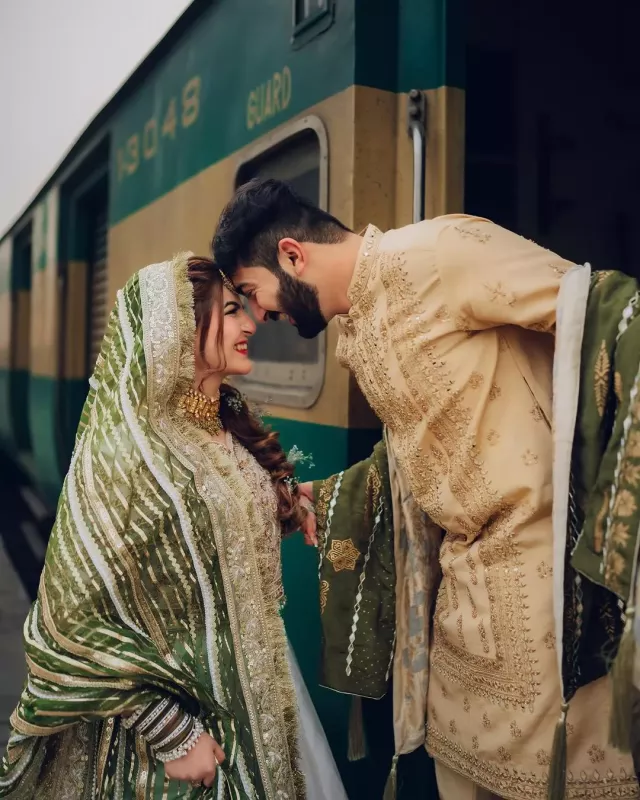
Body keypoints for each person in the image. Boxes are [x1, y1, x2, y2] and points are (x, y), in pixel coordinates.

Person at [212, 179, 639, 799]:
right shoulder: (356, 332)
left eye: (252, 293)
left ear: (291, 254)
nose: (259, 315)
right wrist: (315, 501)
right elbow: (418, 452)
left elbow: (596, 311)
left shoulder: (440, 252)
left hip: (543, 593)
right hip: (462, 606)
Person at [0, 253, 346, 800]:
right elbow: (63, 622)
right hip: (182, 732)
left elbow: (208, 532)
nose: (251, 325)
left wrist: (288, 506)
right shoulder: (125, 455)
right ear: (177, 327)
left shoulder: (222, 423)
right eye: (232, 311)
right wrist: (171, 733)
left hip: (268, 694)